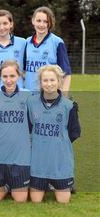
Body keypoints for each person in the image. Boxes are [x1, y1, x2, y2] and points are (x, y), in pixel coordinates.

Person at [28, 65, 80, 204]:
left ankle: (58, 181)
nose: (49, 84)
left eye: (52, 80)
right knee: (35, 201)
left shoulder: (69, 106)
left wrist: (58, 143)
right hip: (38, 162)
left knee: (63, 202)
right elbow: (28, 128)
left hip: (60, 162)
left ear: (59, 81)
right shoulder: (31, 102)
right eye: (45, 80)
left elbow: (74, 133)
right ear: (40, 82)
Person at [0, 60, 31, 202]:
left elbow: (32, 123)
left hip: (19, 155)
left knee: (20, 199)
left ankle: (16, 185)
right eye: (5, 76)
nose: (9, 80)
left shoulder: (28, 96)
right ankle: (5, 185)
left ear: (19, 75)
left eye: (12, 76)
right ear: (0, 77)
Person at [24, 7, 72, 93]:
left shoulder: (57, 42)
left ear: (50, 23)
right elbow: (22, 71)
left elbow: (67, 73)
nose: (41, 25)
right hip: (28, 95)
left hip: (49, 95)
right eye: (38, 21)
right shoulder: (26, 42)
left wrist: (64, 96)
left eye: (45, 21)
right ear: (33, 21)